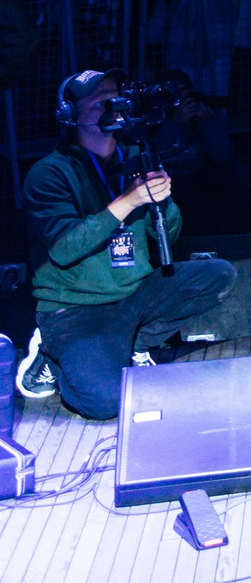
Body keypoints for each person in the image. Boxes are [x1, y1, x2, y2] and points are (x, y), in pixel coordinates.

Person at [17, 70, 239, 418]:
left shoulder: (134, 154)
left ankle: (132, 344)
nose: (112, 103)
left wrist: (162, 199)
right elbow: (63, 248)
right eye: (99, 99)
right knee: (105, 403)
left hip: (134, 292)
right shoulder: (49, 173)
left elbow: (168, 234)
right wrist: (129, 200)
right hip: (76, 307)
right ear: (71, 113)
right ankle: (48, 353)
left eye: (115, 95)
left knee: (218, 275)